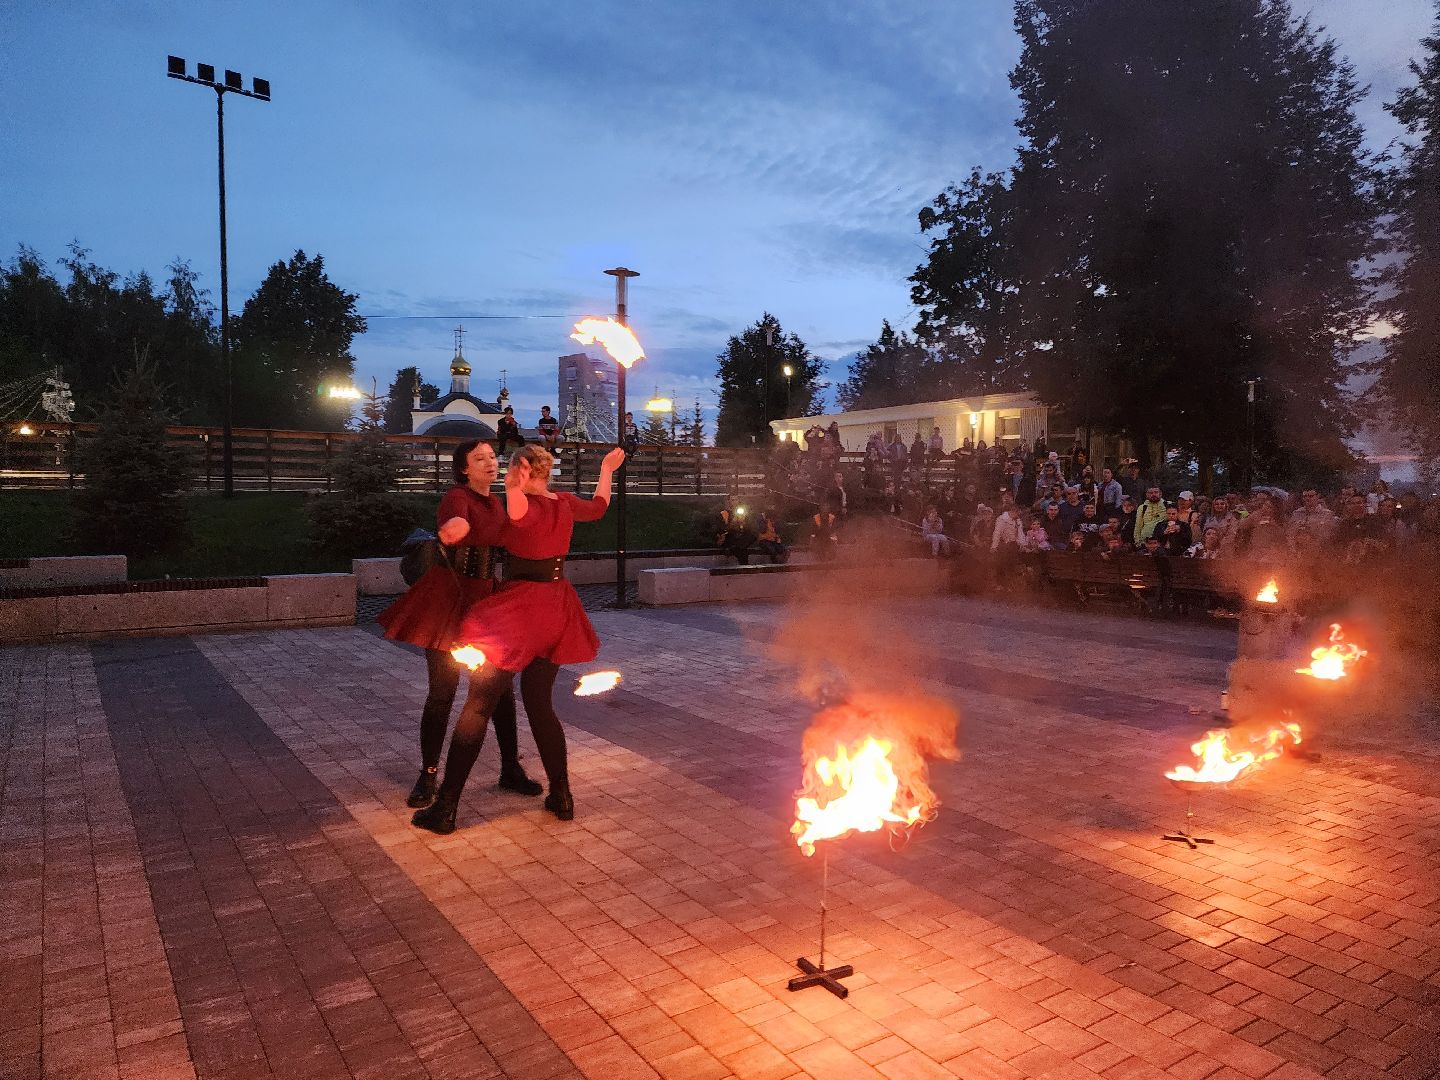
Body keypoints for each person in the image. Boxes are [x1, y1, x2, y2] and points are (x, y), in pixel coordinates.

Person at [414, 444, 626, 834]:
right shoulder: (563, 503)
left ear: (522, 473)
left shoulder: (516, 508)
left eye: (509, 469)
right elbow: (598, 506)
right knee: (540, 705)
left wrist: (462, 525)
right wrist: (607, 469)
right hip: (557, 607)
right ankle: (561, 796)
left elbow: (508, 514)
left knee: (479, 704)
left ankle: (445, 807)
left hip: (517, 612)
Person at [377, 440, 542, 810]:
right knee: (442, 691)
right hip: (449, 602)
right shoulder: (457, 496)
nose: (489, 463)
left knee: (499, 690)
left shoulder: (496, 501)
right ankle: (428, 773)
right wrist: (453, 529)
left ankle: (510, 769)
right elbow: (454, 523)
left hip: (487, 602)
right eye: (479, 458)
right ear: (464, 468)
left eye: (491, 457)